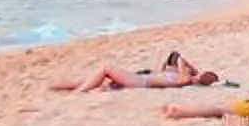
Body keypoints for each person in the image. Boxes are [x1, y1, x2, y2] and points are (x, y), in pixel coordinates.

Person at [51, 50, 219, 94]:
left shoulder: (184, 79)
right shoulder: (176, 74)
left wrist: (194, 70)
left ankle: (77, 93)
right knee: (94, 80)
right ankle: (57, 86)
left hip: (138, 82)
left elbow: (180, 59)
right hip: (138, 78)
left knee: (106, 68)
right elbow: (174, 55)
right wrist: (194, 69)